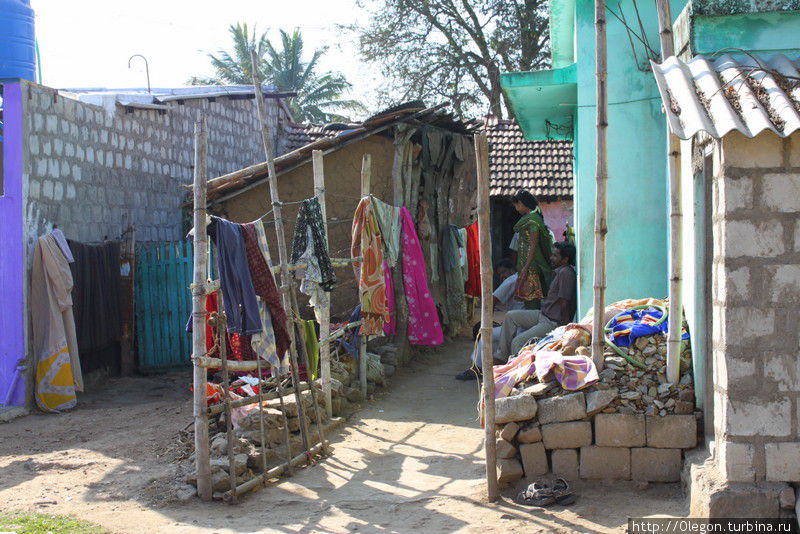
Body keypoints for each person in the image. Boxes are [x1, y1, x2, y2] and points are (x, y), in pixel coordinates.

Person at [494, 241, 577, 362]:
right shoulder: (560, 271)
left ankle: (519, 370)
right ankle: (501, 356)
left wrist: (563, 328)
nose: (551, 258)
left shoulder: (566, 273)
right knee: (510, 316)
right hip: (544, 315)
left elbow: (565, 302)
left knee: (517, 342)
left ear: (565, 260)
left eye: (555, 256)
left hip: (552, 322)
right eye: (552, 255)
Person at [454, 260, 522, 380]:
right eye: (500, 274)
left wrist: (487, 323)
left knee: (485, 336)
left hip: (518, 326)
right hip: (520, 323)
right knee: (495, 336)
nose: (502, 276)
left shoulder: (511, 280)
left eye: (504, 272)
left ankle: (476, 369)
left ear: (512, 270)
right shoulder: (521, 277)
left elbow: (492, 300)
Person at [511, 190, 554, 310]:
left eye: (516, 205)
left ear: (521, 203)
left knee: (531, 300)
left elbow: (533, 245)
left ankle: (532, 324)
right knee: (530, 299)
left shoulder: (532, 221)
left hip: (531, 266)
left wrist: (525, 268)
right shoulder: (531, 219)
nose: (516, 209)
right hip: (528, 265)